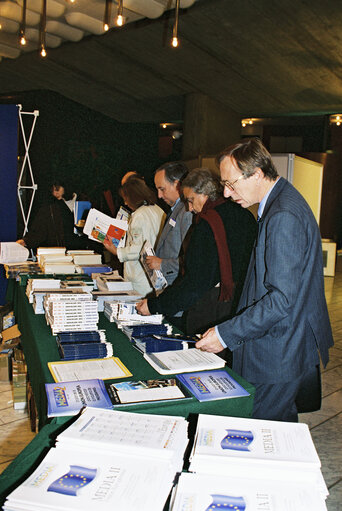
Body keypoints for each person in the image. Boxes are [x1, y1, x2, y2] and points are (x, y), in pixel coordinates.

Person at [196, 138, 334, 422]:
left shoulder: (283, 214)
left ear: (257, 173)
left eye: (231, 183)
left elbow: (281, 299)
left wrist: (225, 334)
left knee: (261, 428)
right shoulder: (282, 201)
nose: (225, 191)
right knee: (279, 425)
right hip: (282, 343)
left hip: (278, 350)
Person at [136, 168, 257, 340]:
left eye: (191, 200)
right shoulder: (245, 215)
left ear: (204, 193)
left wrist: (156, 305)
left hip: (211, 309)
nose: (190, 208)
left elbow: (195, 283)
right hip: (241, 305)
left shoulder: (207, 224)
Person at [103, 176, 165, 296]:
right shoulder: (158, 210)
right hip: (155, 275)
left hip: (140, 277)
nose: (125, 203)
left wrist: (116, 251)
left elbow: (138, 249)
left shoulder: (139, 215)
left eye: (126, 199)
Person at [145, 162, 193, 286]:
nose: (159, 196)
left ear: (178, 185)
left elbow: (192, 259)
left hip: (177, 284)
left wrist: (162, 264)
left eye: (162, 189)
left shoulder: (187, 212)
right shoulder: (176, 210)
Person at [16, 181, 86, 251]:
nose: (56, 191)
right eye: (54, 188)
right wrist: (26, 241)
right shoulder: (51, 207)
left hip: (73, 249)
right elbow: (40, 229)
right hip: (61, 250)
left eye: (58, 188)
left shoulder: (79, 202)